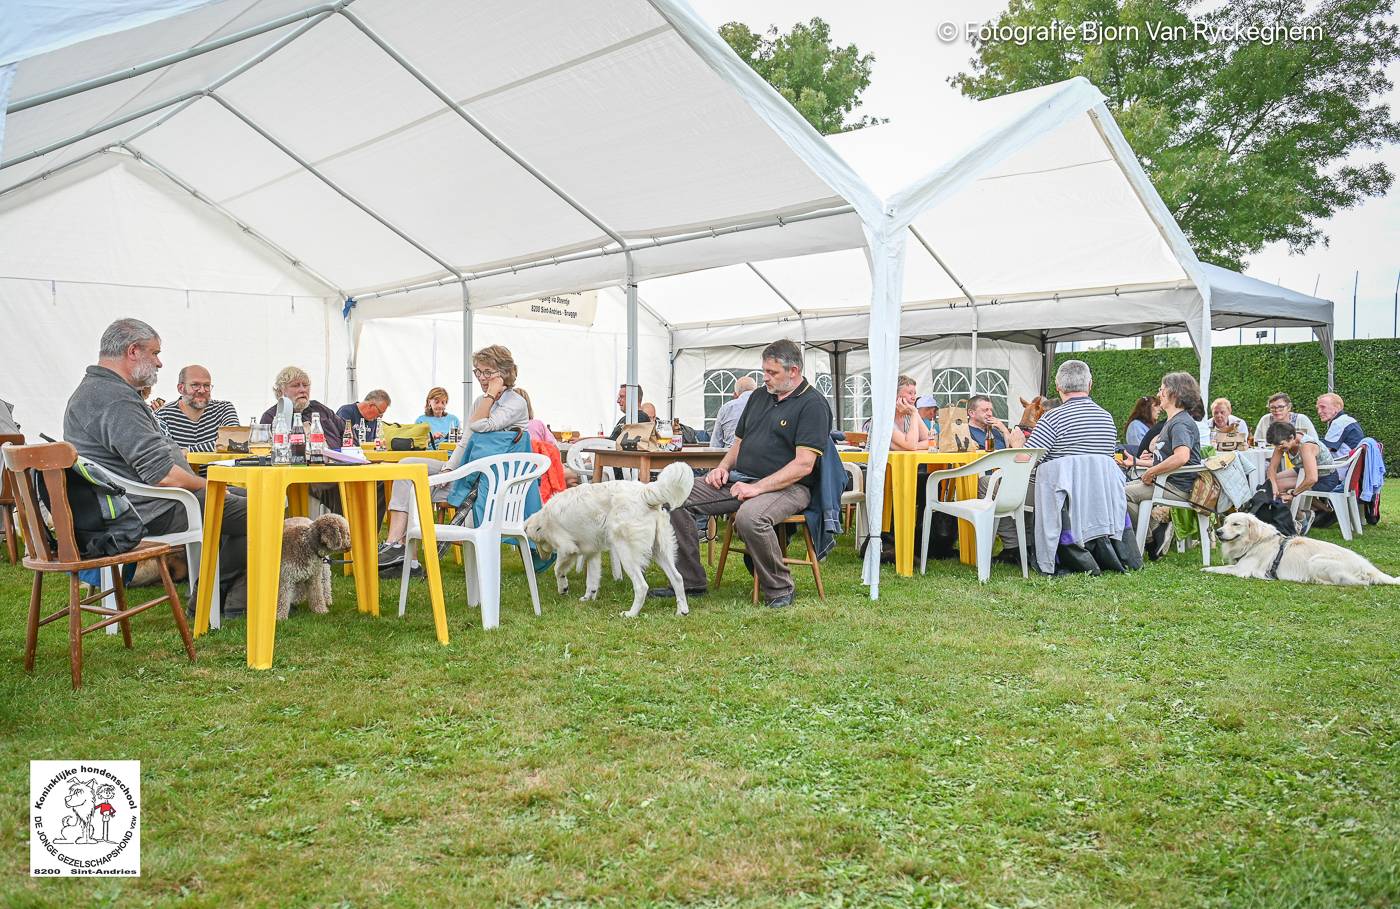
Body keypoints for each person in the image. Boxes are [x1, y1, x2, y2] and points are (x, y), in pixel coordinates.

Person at [63, 319, 248, 612]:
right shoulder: (113, 399)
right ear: (133, 351)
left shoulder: (101, 390)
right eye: (155, 353)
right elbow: (165, 476)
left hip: (138, 503)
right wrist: (216, 486)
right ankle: (213, 600)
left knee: (253, 504)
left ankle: (232, 600)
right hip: (151, 509)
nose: (160, 363)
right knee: (265, 508)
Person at [649, 339, 831, 609]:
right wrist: (722, 468)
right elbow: (739, 444)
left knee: (750, 517)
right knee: (672, 497)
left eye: (772, 373)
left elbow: (803, 465)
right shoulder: (759, 397)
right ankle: (689, 581)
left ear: (793, 371)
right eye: (764, 371)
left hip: (790, 487)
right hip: (740, 479)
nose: (765, 378)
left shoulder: (812, 404)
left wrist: (758, 489)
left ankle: (780, 587)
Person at [378, 345, 532, 566]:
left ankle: (405, 557)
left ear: (504, 372)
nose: (481, 378)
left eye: (487, 372)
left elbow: (479, 425)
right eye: (477, 371)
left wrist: (490, 394)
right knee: (407, 467)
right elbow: (466, 441)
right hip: (468, 471)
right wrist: (449, 469)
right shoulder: (481, 402)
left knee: (416, 485)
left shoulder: (516, 402)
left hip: (490, 485)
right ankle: (397, 546)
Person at [996, 360, 1116, 552]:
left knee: (990, 483)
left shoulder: (1051, 418)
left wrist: (1018, 445)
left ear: (1058, 386)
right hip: (1096, 494)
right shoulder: (1107, 418)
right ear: (1090, 385)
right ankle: (1028, 540)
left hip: (1059, 496)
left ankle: (1015, 547)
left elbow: (1025, 464)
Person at [1124, 372, 1204, 532]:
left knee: (1117, 494)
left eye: (1162, 390)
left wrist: (1152, 471)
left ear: (1174, 393)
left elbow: (1182, 457)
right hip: (1166, 482)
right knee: (1116, 489)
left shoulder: (1180, 423)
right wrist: (1141, 462)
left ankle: (1151, 534)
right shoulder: (1175, 420)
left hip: (1175, 487)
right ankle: (1154, 529)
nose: (1159, 394)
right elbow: (1167, 458)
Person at [1265, 420, 1340, 530]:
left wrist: (1293, 494)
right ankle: (1322, 510)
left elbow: (1312, 478)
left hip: (1324, 478)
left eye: (1281, 445)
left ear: (1291, 437)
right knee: (1271, 484)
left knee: (1281, 486)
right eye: (1276, 445)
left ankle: (1303, 518)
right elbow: (1271, 469)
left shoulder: (1306, 446)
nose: (1279, 448)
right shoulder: (1281, 441)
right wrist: (1273, 485)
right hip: (1303, 470)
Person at [155, 365, 240, 452]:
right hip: (180, 466)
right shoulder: (163, 415)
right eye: (195, 385)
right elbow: (164, 453)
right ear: (181, 388)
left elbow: (234, 440)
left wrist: (187, 452)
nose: (202, 390)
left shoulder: (223, 409)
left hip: (217, 466)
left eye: (206, 385)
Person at [259, 367, 346, 447]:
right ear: (282, 390)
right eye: (296, 385)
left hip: (338, 462)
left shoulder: (319, 409)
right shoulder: (271, 416)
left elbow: (347, 431)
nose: (303, 390)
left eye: (305, 385)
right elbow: (266, 450)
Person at [710, 376, 756, 449]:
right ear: (756, 391)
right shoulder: (766, 405)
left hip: (729, 455)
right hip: (758, 456)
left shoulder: (725, 408)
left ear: (735, 394)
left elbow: (715, 444)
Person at [1253, 392, 1317, 443]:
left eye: (1280, 407)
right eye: (1272, 408)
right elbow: (1256, 441)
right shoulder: (1265, 420)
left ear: (1289, 407)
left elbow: (1315, 441)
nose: (1276, 410)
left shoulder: (1301, 419)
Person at [890, 375, 932, 451]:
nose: (914, 398)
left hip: (908, 462)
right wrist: (911, 446)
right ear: (895, 396)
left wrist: (913, 446)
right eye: (910, 393)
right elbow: (911, 446)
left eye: (914, 394)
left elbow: (931, 442)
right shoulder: (885, 419)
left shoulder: (912, 413)